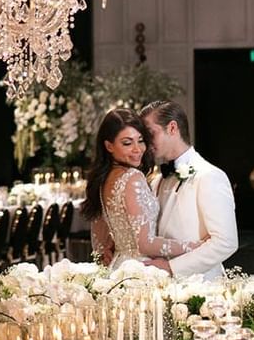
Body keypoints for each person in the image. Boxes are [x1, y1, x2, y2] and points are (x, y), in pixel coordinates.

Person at [82, 108, 206, 269]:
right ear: (109, 146)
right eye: (127, 143)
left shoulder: (102, 180)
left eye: (140, 140)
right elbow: (145, 244)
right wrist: (194, 247)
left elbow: (99, 244)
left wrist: (108, 249)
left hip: (119, 266)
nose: (137, 149)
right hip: (141, 268)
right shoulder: (132, 178)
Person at [139, 99, 238, 280]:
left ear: (172, 128)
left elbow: (226, 242)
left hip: (200, 287)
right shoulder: (157, 180)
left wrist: (171, 267)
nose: (145, 143)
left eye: (150, 133)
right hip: (160, 285)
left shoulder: (210, 176)